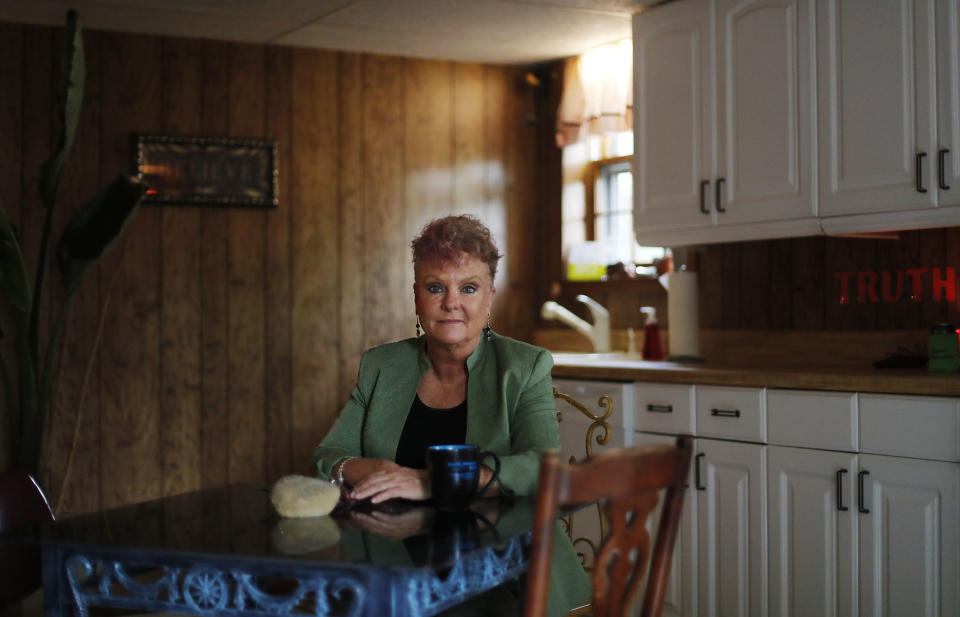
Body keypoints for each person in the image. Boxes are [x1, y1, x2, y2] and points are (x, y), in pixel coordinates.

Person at [311, 214, 558, 502]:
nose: (451, 303)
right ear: (417, 297)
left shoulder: (526, 366)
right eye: (435, 288)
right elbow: (327, 456)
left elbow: (543, 466)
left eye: (468, 288)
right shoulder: (380, 365)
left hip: (492, 539)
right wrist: (372, 469)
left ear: (489, 298)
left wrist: (432, 481)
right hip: (391, 539)